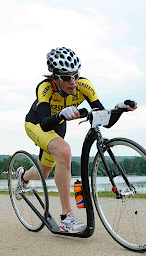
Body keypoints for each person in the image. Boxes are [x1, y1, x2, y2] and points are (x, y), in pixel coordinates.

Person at [15, 47, 137, 233]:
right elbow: (45, 124)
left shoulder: (84, 86)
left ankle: (23, 176)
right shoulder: (45, 88)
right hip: (38, 124)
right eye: (66, 77)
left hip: (59, 124)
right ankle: (66, 217)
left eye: (75, 75)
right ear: (55, 77)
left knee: (43, 172)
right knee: (65, 152)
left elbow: (105, 120)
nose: (72, 82)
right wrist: (60, 115)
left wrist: (120, 108)